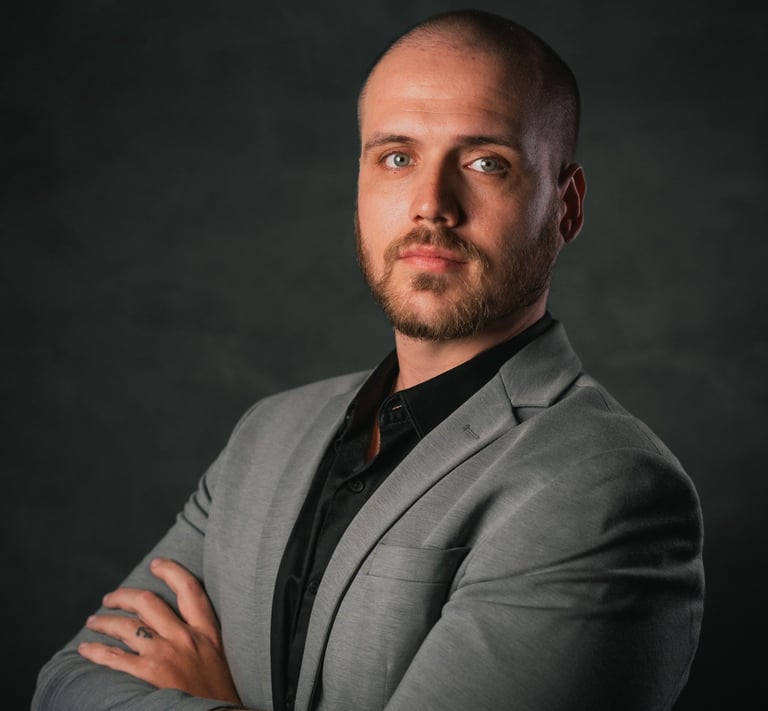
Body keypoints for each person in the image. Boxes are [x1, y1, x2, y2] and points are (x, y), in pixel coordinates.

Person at [33, 9, 704, 711]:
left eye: (485, 163)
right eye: (397, 157)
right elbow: (65, 686)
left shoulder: (605, 486)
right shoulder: (268, 434)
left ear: (565, 207)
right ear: (360, 183)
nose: (431, 205)